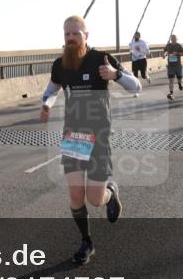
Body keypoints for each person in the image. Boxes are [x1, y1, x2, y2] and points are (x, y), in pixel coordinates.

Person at [39, 15, 141, 265]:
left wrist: (115, 74)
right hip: (73, 136)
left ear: (86, 35)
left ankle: (111, 190)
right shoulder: (60, 64)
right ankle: (86, 242)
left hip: (99, 136)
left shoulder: (101, 60)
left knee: (95, 199)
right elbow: (52, 89)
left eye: (75, 33)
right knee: (76, 195)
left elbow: (136, 86)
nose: (71, 38)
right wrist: (46, 103)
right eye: (67, 35)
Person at [164, 34, 183, 101]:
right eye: (172, 38)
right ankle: (171, 93)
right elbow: (165, 51)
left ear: (177, 39)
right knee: (171, 80)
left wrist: (177, 53)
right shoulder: (168, 45)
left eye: (174, 38)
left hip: (178, 65)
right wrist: (164, 55)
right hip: (170, 66)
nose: (173, 39)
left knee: (179, 78)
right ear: (171, 39)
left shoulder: (179, 45)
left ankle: (179, 84)